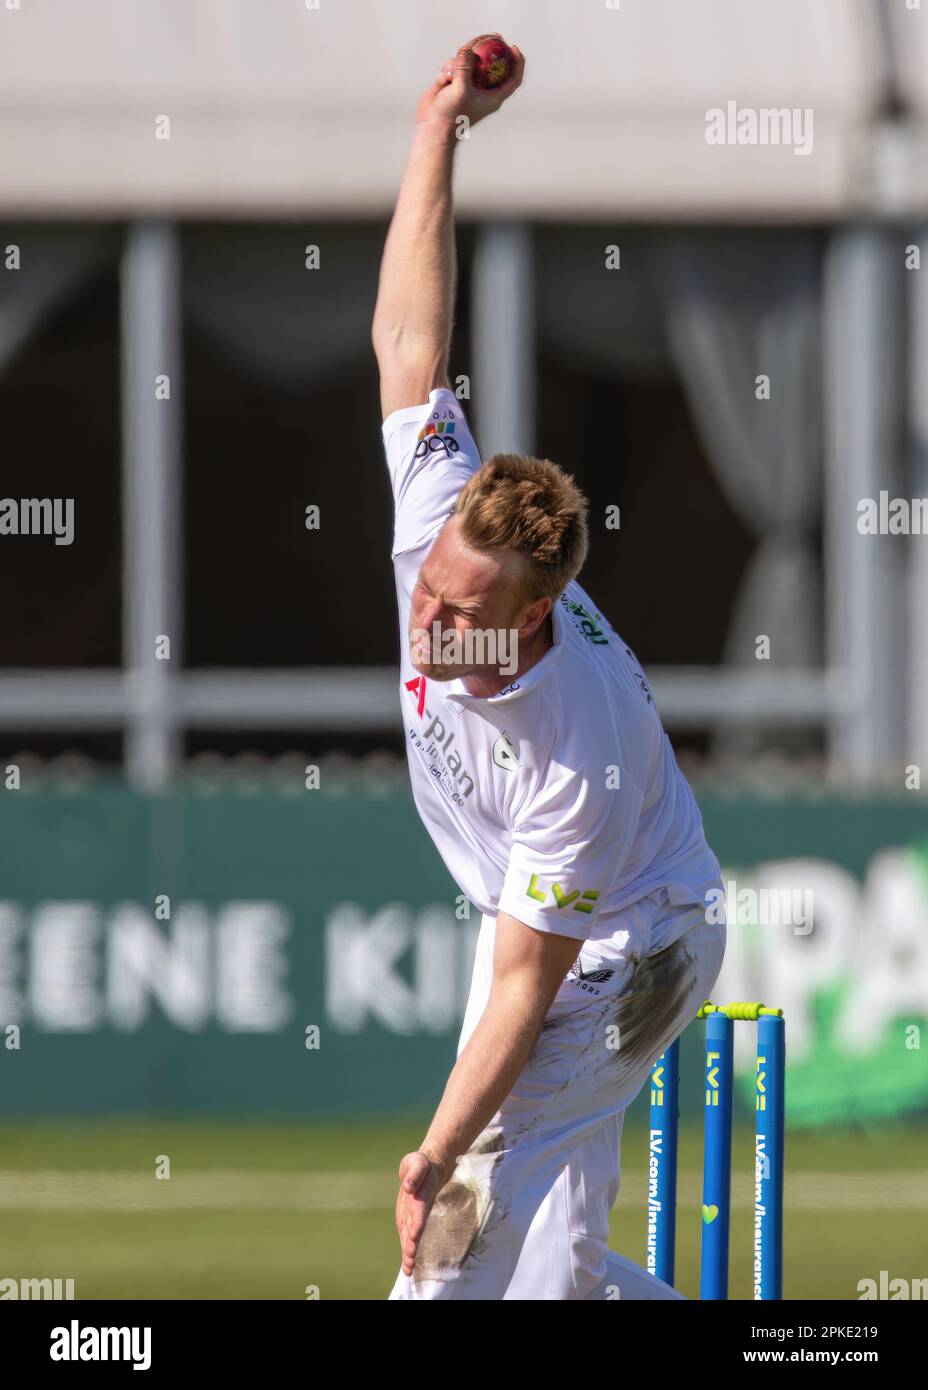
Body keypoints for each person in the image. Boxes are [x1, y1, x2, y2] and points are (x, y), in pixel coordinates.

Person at [372, 35, 725, 1301]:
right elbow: (408, 338)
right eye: (426, 587)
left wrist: (432, 1151)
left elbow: (529, 986)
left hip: (634, 944)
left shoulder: (574, 741)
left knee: (451, 1248)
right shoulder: (438, 512)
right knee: (557, 1278)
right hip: (535, 916)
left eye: (458, 610)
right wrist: (438, 128)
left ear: (532, 615)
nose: (424, 621)